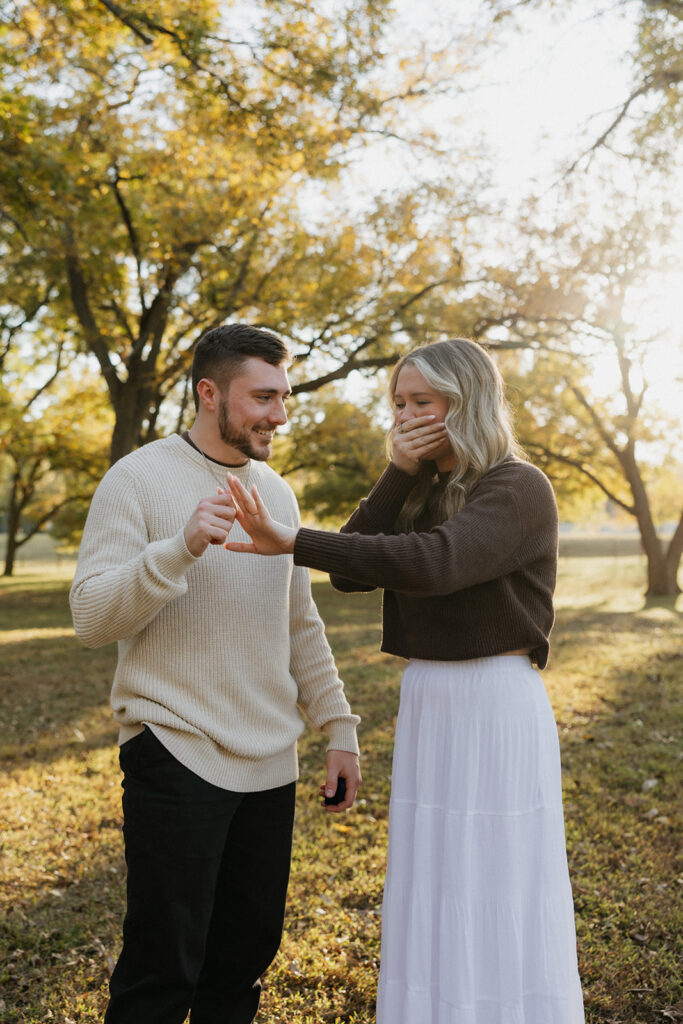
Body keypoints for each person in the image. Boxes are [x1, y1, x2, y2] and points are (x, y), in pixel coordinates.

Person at [223, 337, 585, 1024]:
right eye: (397, 403)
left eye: (422, 401)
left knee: (495, 868)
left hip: (493, 698)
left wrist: (291, 539)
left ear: (466, 400)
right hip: (429, 697)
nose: (406, 415)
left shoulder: (515, 486)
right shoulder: (421, 489)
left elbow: (434, 564)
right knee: (437, 870)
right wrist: (397, 472)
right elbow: (354, 571)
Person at [69, 323, 361, 1024]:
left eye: (283, 397)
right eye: (263, 397)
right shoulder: (136, 479)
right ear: (209, 393)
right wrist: (180, 548)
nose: (279, 415)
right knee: (162, 968)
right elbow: (89, 617)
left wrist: (340, 726)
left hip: (270, 764)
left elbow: (298, 625)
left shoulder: (279, 495)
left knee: (241, 964)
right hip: (174, 751)